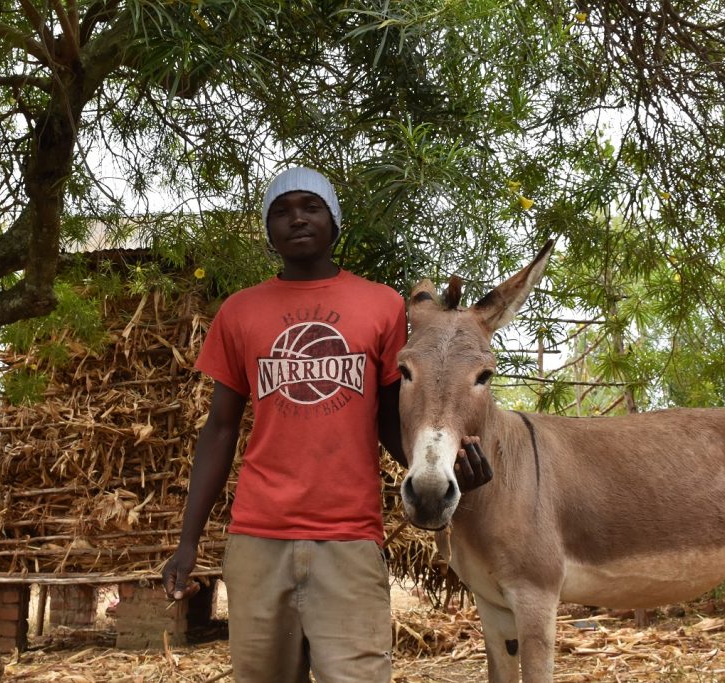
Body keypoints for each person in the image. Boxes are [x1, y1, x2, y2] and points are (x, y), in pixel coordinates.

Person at [161, 166, 491, 682]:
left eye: (310, 207)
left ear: (334, 220)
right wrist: (187, 542)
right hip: (257, 539)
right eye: (281, 210)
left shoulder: (381, 305)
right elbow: (220, 429)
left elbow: (389, 420)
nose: (297, 218)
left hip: (349, 539)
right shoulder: (239, 312)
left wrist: (442, 472)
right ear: (267, 229)